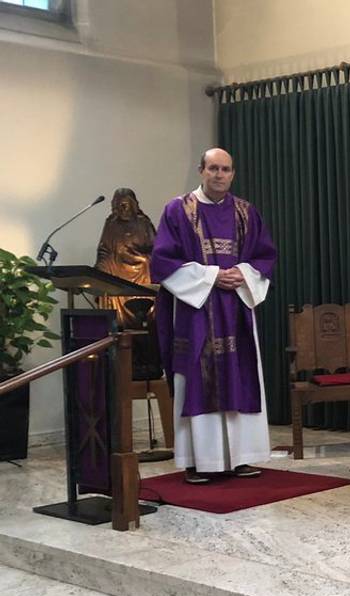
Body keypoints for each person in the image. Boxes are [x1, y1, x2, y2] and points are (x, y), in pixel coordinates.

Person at [151, 148, 277, 483]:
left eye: (225, 169)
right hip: (195, 313)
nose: (219, 175)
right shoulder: (177, 210)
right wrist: (210, 277)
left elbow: (265, 256)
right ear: (201, 171)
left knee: (239, 372)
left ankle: (241, 457)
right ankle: (198, 460)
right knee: (196, 375)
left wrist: (245, 273)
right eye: (213, 168)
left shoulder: (245, 213)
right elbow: (163, 262)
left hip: (235, 308)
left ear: (233, 173)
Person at [94, 188, 157, 331]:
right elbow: (104, 249)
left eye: (125, 205)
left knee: (147, 264)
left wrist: (139, 257)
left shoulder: (143, 223)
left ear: (134, 205)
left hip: (141, 272)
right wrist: (101, 267)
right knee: (106, 272)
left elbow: (156, 248)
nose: (122, 209)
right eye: (118, 205)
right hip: (116, 272)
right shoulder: (111, 223)